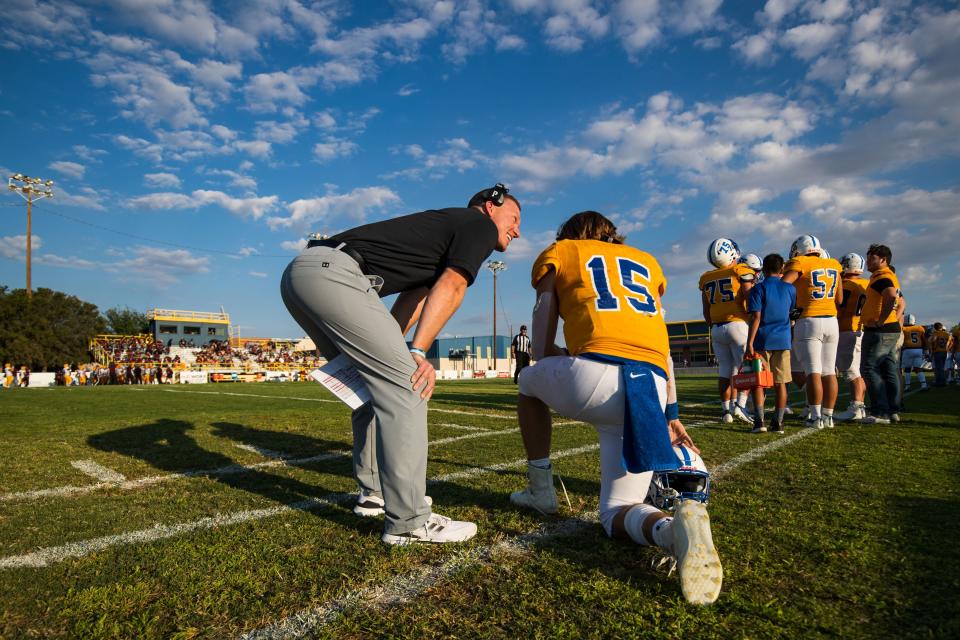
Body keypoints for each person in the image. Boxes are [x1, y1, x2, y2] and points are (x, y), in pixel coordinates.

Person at [280, 183, 521, 546]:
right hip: (337, 275)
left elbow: (414, 300)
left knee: (374, 389)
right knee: (409, 386)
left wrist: (399, 350)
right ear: (491, 205)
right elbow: (453, 286)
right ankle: (408, 520)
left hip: (306, 274)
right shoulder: (479, 225)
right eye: (514, 219)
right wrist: (418, 354)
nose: (517, 230)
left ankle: (375, 492)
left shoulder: (443, 234)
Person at [509, 211, 722, 605]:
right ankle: (669, 531)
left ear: (568, 234)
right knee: (619, 510)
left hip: (594, 376)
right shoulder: (647, 263)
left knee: (527, 382)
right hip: (651, 388)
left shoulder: (561, 253)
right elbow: (663, 348)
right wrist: (671, 414)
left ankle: (541, 489)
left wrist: (577, 358)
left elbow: (539, 349)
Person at [782, 235, 843, 429]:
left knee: (813, 372)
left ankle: (815, 417)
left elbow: (783, 286)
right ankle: (829, 416)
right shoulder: (833, 264)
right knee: (829, 372)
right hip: (832, 321)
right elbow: (839, 298)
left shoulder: (800, 262)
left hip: (809, 320)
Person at [699, 238, 756, 425]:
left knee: (725, 371)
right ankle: (740, 406)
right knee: (746, 368)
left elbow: (706, 309)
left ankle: (726, 411)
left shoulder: (706, 277)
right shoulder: (740, 271)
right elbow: (751, 298)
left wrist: (713, 324)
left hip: (717, 328)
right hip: (738, 325)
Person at [746, 254, 796, 434]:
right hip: (783, 340)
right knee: (781, 383)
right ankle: (779, 422)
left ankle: (760, 422)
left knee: (759, 382)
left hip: (762, 339)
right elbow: (792, 312)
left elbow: (756, 317)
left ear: (764, 269)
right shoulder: (790, 289)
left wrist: (749, 342)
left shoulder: (758, 289)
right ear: (781, 268)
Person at [860, 244, 903, 424]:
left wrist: (880, 320)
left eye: (872, 258)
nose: (868, 261)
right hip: (890, 329)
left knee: (869, 368)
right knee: (889, 370)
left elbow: (892, 296)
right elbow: (901, 301)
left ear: (883, 260)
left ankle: (881, 411)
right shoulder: (890, 276)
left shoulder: (881, 276)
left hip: (880, 330)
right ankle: (893, 410)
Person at [834, 254, 870, 421]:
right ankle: (859, 405)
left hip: (847, 328)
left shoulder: (848, 285)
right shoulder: (867, 283)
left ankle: (856, 406)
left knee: (851, 371)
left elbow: (840, 308)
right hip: (862, 328)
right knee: (857, 371)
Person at [900, 314, 929, 391]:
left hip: (908, 350)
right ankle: (924, 384)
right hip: (918, 350)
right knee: (918, 368)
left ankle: (907, 386)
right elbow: (924, 340)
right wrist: (926, 350)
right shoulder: (920, 328)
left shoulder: (903, 328)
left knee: (907, 369)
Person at [930, 322, 954, 387]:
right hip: (944, 351)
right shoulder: (946, 334)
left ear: (935, 327)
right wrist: (947, 347)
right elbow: (951, 341)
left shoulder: (935, 333)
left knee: (938, 368)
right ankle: (943, 381)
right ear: (941, 327)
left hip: (937, 351)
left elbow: (932, 341)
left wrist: (933, 348)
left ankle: (940, 382)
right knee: (942, 367)